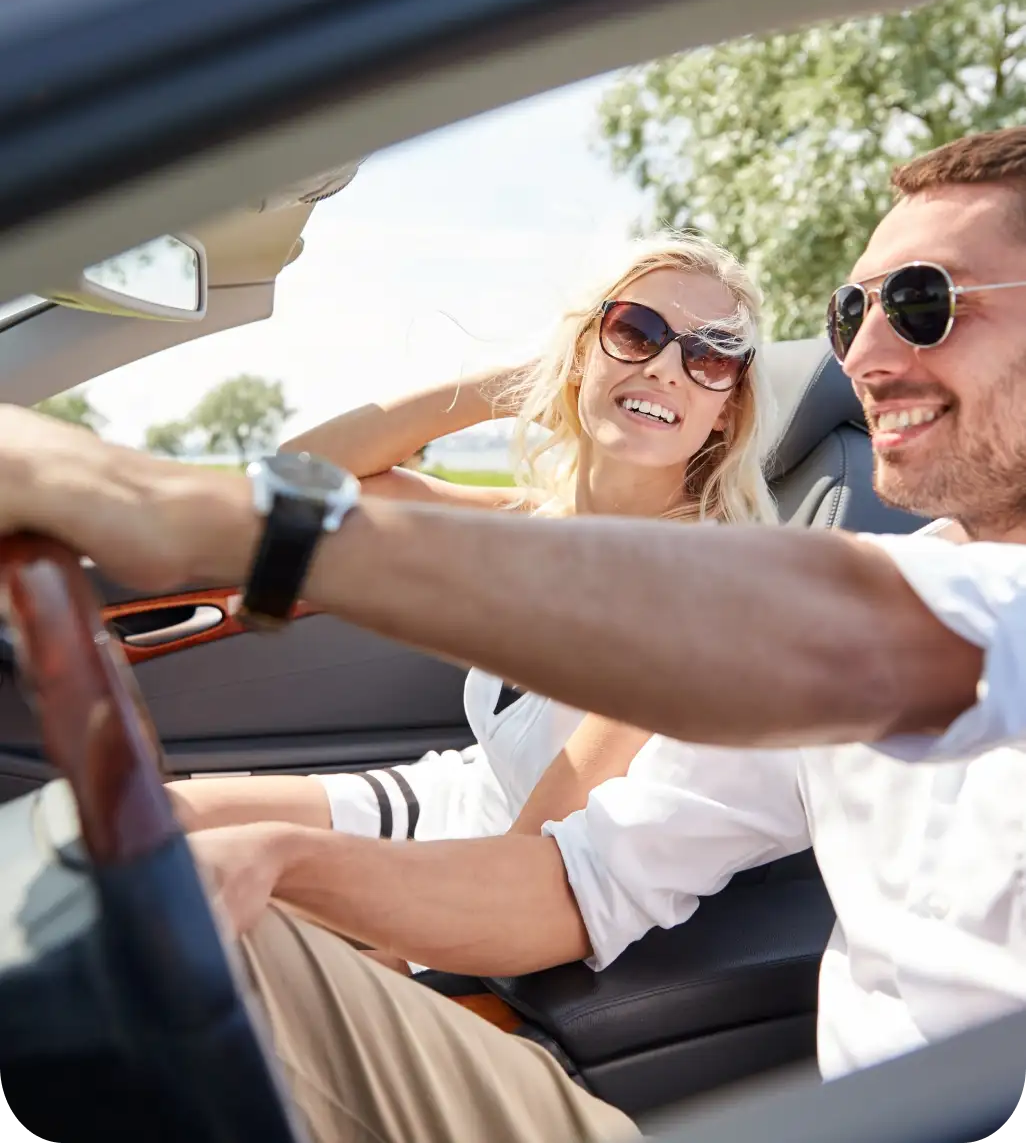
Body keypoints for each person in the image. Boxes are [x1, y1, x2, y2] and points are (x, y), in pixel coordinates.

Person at [3, 128, 1026, 1143]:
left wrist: (176, 506)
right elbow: (577, 881)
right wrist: (286, 863)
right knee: (143, 884)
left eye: (927, 304)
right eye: (855, 312)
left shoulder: (815, 607)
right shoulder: (896, 580)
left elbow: (835, 636)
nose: (863, 357)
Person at [167, 236, 777, 972]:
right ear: (585, 348)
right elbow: (294, 475)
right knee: (154, 821)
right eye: (635, 331)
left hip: (499, 879)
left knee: (209, 937)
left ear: (726, 410)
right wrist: (526, 379)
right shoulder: (532, 525)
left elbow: (530, 860)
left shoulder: (689, 590)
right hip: (450, 801)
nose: (663, 366)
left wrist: (377, 966)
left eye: (709, 355)